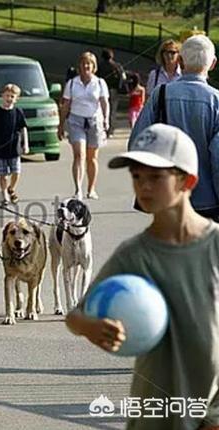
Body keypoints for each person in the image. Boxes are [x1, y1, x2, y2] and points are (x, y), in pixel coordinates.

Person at [66, 123, 219, 430]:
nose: (143, 187)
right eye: (137, 177)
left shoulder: (215, 245)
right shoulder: (133, 253)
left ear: (187, 181)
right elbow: (75, 316)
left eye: (155, 177)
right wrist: (91, 326)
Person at [130, 34, 219, 220]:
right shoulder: (216, 101)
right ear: (212, 64)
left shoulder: (160, 94)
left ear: (180, 60)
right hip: (207, 200)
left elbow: (137, 143)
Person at [58, 51, 110, 200]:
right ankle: (78, 189)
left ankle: (91, 188)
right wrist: (61, 124)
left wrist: (106, 119)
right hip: (76, 120)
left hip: (94, 121)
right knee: (79, 154)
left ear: (93, 67)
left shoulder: (99, 83)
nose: (86, 66)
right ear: (79, 66)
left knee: (91, 157)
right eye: (83, 63)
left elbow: (104, 103)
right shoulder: (72, 83)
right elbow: (66, 105)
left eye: (89, 64)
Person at [0, 83, 28, 205]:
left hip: (14, 147)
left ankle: (11, 188)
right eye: (7, 96)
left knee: (16, 171)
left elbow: (23, 128)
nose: (9, 99)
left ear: (16, 98)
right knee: (2, 174)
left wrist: (26, 144)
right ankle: (4, 194)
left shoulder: (18, 112)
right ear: (2, 96)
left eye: (12, 96)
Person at [97, 48, 125, 137]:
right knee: (112, 110)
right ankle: (111, 129)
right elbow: (123, 77)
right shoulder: (117, 66)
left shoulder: (100, 66)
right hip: (114, 90)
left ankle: (103, 128)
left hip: (102, 90)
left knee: (102, 109)